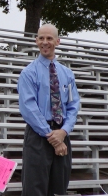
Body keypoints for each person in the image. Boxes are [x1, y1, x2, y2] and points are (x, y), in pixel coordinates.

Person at [17, 24, 80, 196]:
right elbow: (28, 108)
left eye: (49, 38)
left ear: (57, 41)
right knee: (34, 190)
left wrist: (63, 132)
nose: (45, 42)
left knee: (59, 189)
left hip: (62, 134)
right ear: (36, 41)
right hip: (38, 137)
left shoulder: (67, 74)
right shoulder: (28, 73)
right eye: (41, 38)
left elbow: (73, 106)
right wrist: (53, 137)